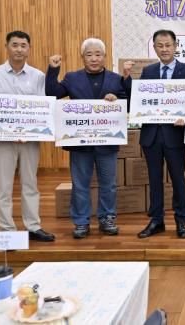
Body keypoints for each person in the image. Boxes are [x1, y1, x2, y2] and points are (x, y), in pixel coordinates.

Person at [0, 31, 55, 241]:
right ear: (6, 47)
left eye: (23, 45)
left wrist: (28, 131)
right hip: (2, 140)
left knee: (30, 184)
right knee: (4, 186)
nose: (19, 49)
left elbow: (43, 108)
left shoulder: (38, 76)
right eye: (14, 45)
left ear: (29, 49)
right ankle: (7, 230)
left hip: (29, 140)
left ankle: (33, 227)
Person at [45, 38, 132, 239]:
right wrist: (53, 70)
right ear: (82, 57)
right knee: (80, 184)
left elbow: (129, 102)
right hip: (80, 143)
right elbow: (52, 94)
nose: (94, 58)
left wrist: (118, 100)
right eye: (89, 54)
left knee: (108, 184)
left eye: (98, 54)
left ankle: (107, 218)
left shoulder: (116, 79)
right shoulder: (72, 78)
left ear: (104, 56)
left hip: (107, 142)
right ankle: (81, 222)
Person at [137, 30, 185, 239]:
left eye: (168, 45)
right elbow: (140, 100)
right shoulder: (148, 71)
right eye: (160, 45)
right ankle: (157, 220)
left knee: (178, 179)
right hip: (151, 135)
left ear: (175, 46)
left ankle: (181, 220)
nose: (164, 49)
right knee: (154, 180)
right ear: (154, 47)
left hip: (175, 134)